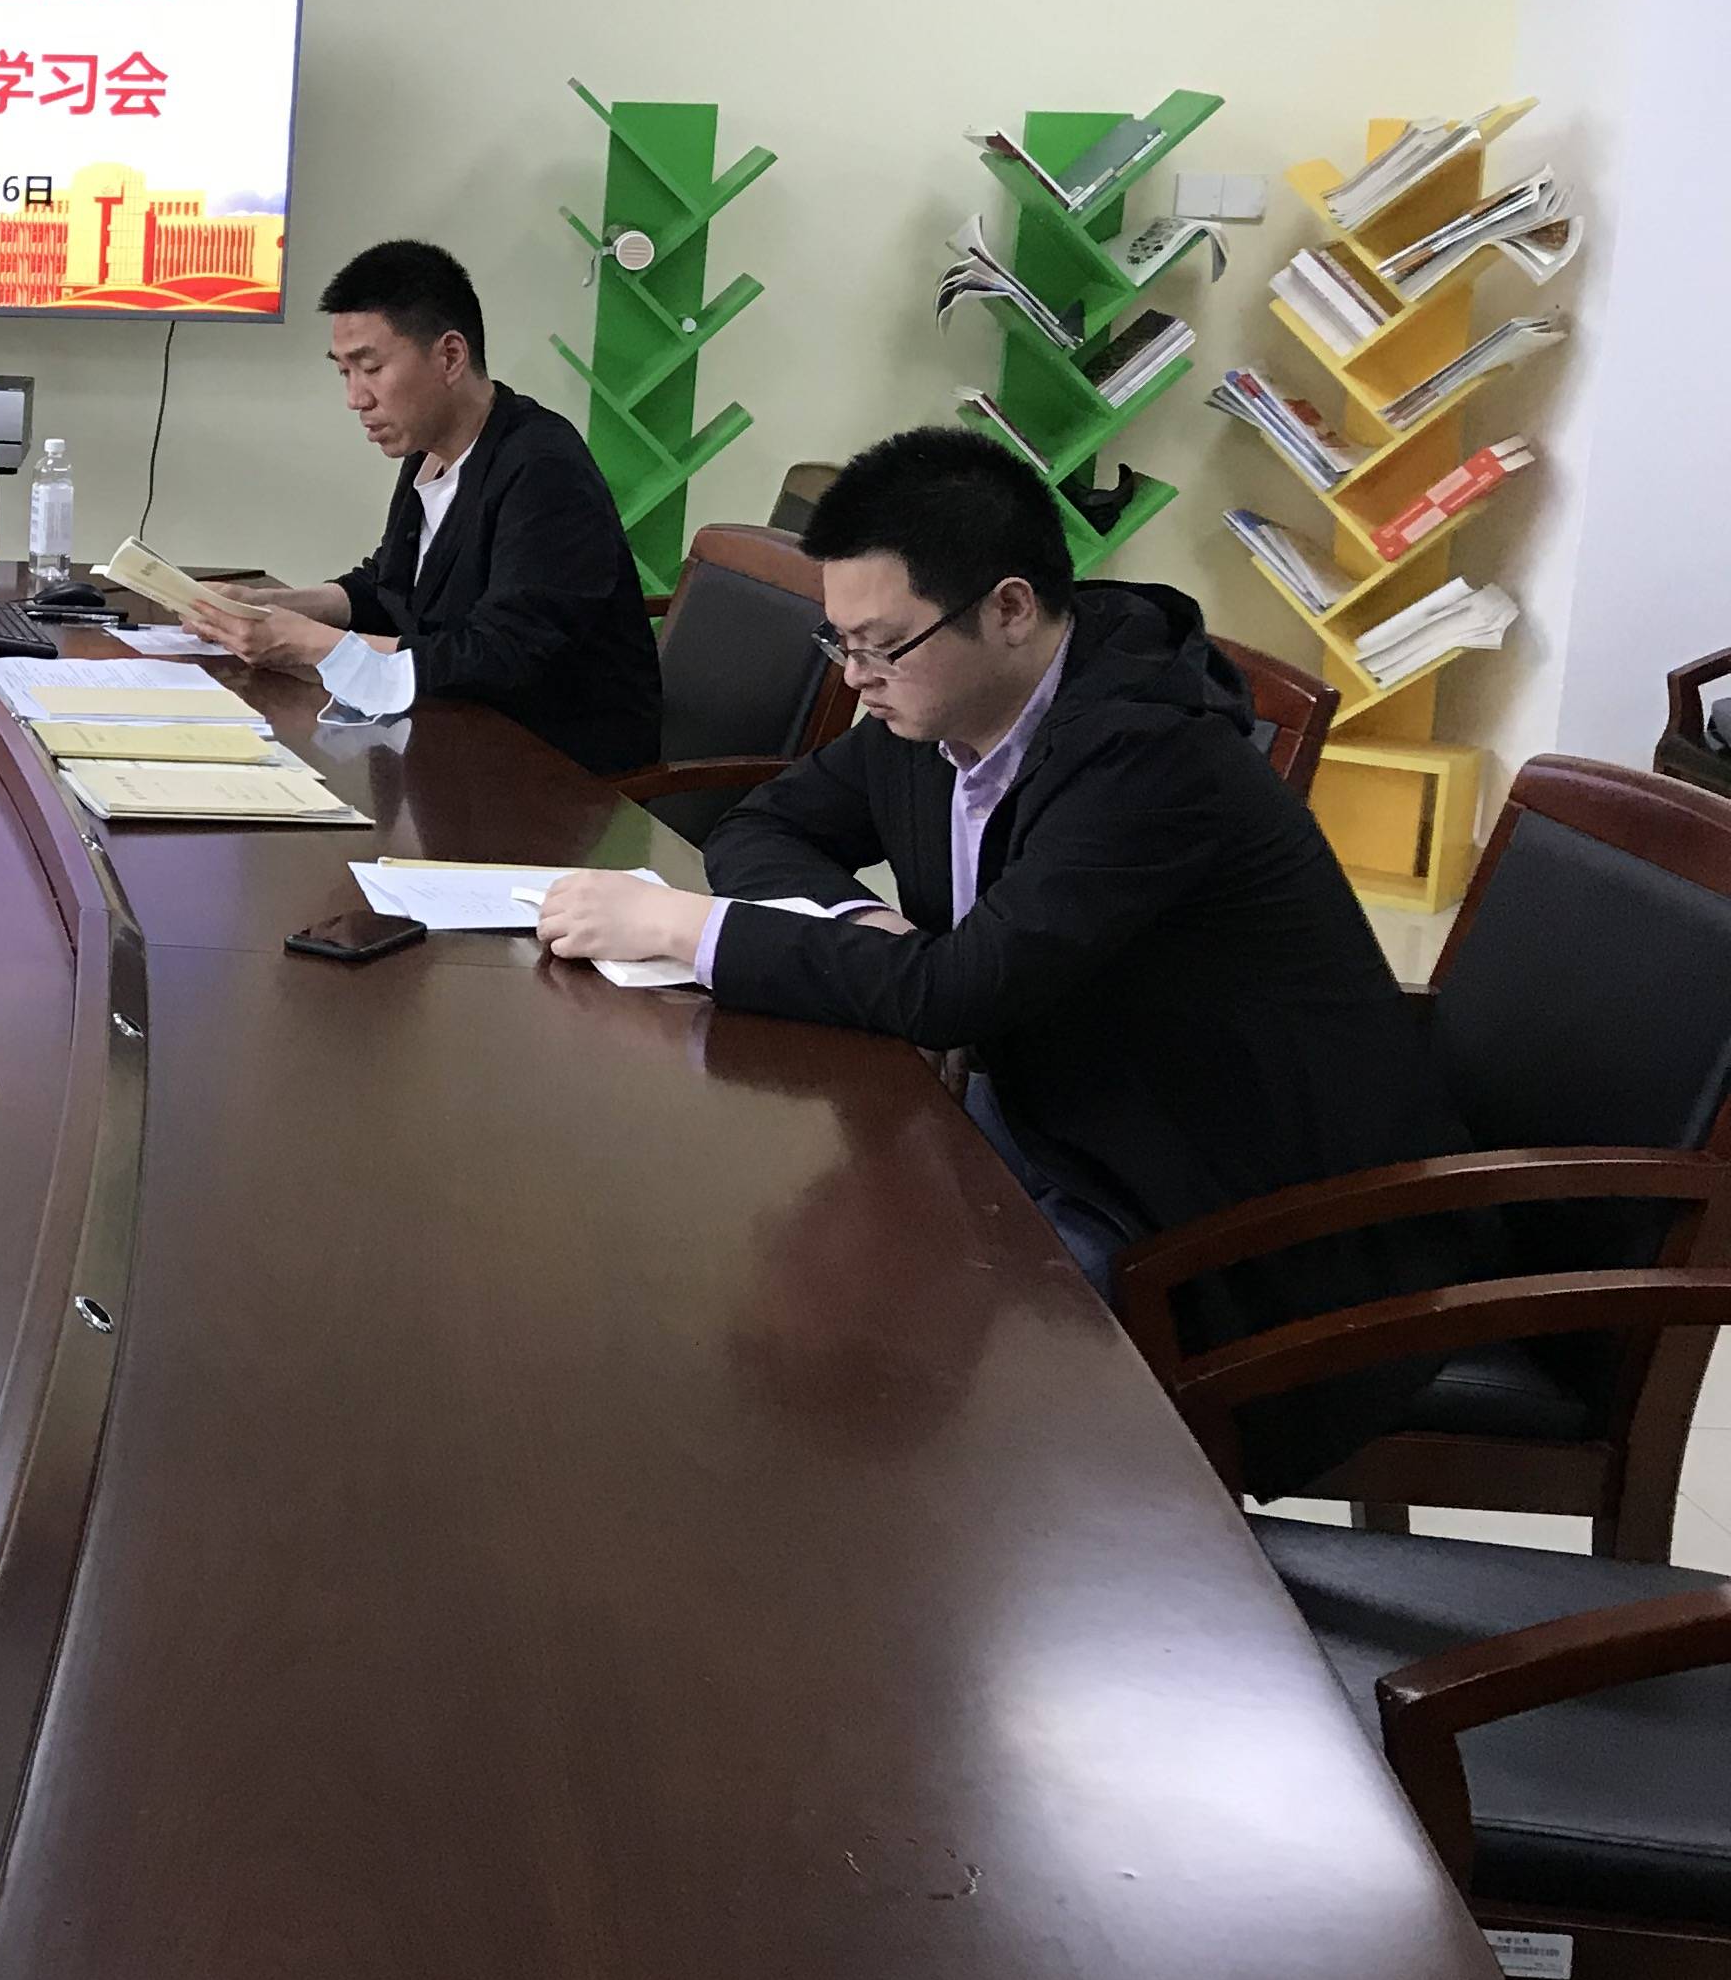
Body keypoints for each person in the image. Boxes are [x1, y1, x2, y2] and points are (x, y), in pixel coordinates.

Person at [534, 424, 1483, 1490]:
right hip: (1058, 1113)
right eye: (840, 645)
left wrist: (684, 929)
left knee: (931, 1398)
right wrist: (865, 927)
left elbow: (956, 995)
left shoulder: (1146, 754)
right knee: (741, 1239)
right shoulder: (937, 710)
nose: (859, 678)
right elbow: (763, 827)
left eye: (882, 646)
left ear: (1011, 609)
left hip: (1229, 1220)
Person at [175, 237, 662, 775]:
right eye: (344, 372)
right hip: (450, 745)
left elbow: (499, 659)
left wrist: (311, 644)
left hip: (553, 775)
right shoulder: (429, 453)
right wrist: (268, 605)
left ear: (450, 356)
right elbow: (390, 586)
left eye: (370, 368)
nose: (355, 399)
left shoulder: (543, 467)